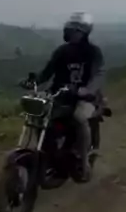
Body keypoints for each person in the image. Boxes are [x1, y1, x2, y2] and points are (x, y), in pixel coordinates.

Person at [32, 11, 105, 182]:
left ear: (84, 33)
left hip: (85, 98)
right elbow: (46, 73)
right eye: (70, 30)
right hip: (60, 96)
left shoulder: (93, 52)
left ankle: (84, 162)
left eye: (76, 31)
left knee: (79, 117)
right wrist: (33, 81)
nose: (71, 34)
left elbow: (99, 74)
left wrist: (88, 90)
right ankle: (50, 156)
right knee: (40, 117)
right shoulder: (61, 51)